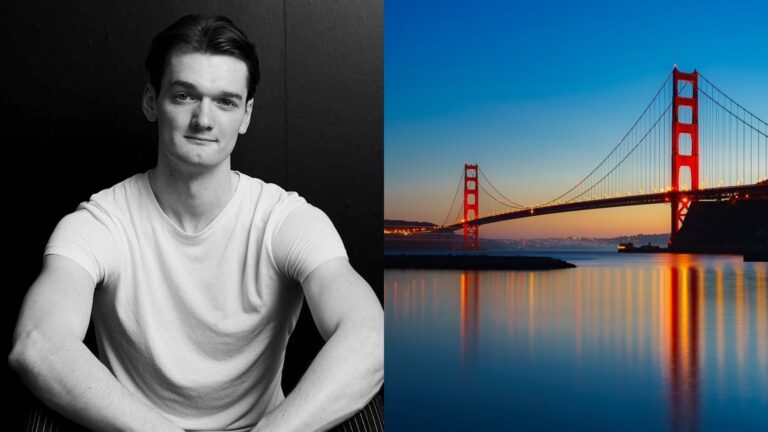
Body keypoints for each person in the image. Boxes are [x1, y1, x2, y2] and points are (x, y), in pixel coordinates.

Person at [8, 14, 383, 432]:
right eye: (185, 95)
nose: (204, 119)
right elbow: (38, 343)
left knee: (367, 404)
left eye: (225, 101)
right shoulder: (101, 221)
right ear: (152, 101)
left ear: (246, 115)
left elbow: (371, 337)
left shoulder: (283, 219)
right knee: (40, 412)